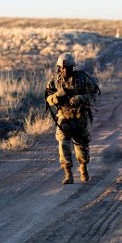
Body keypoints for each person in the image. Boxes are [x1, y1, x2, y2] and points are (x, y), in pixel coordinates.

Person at [45, 53, 100, 184]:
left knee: (82, 145)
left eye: (68, 68)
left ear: (72, 67)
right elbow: (48, 99)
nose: (65, 70)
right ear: (58, 68)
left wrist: (81, 98)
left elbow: (94, 94)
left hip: (80, 117)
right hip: (64, 117)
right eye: (62, 68)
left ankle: (83, 168)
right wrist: (57, 96)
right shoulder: (55, 81)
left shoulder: (82, 78)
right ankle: (68, 173)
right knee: (63, 142)